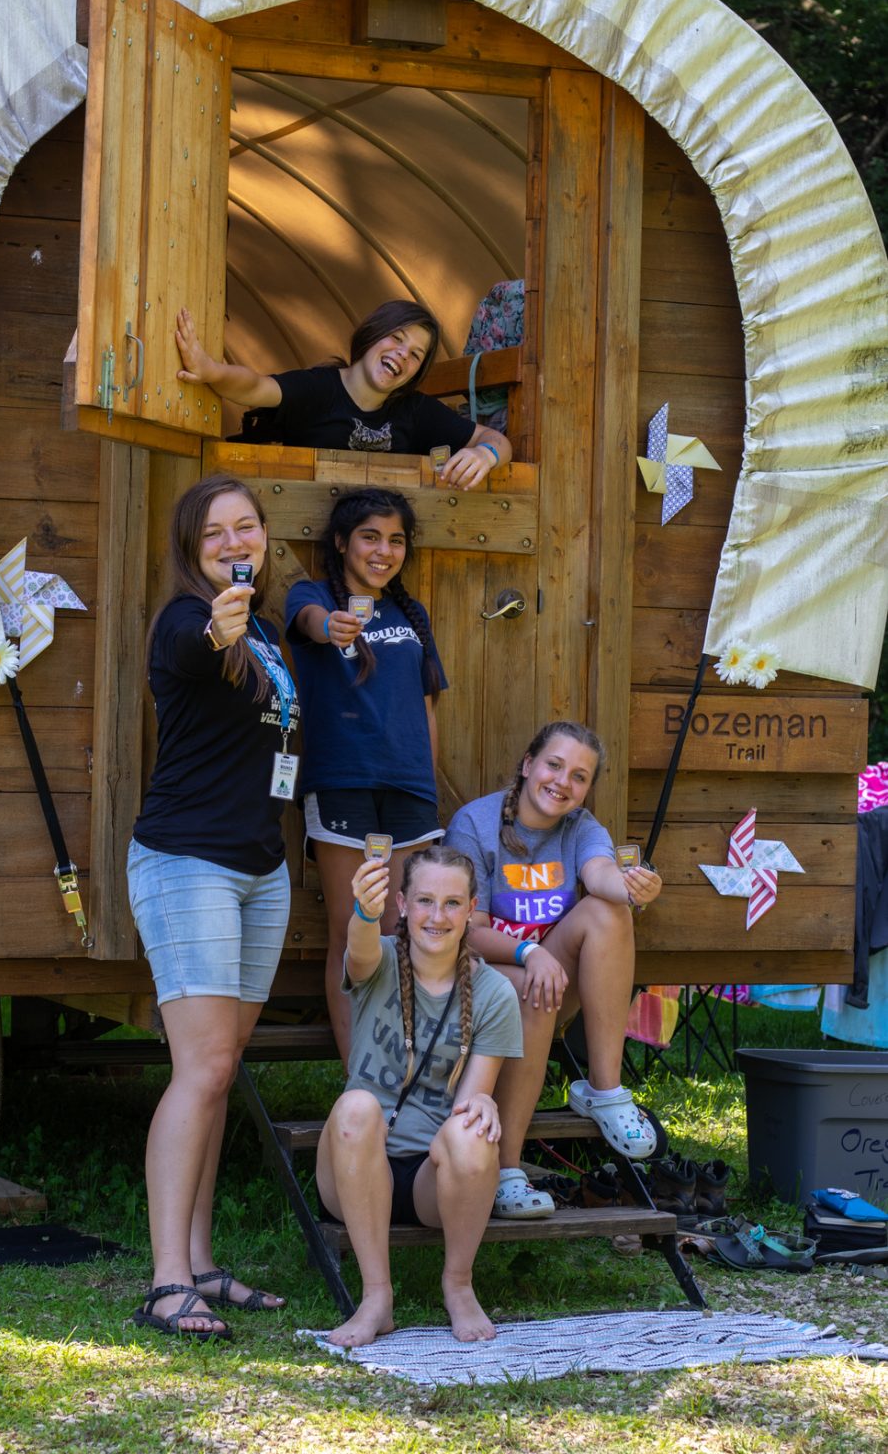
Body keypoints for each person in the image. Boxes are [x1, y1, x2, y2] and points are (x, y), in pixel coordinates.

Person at [127, 473, 300, 1338]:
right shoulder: (185, 622)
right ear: (195, 553)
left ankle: (199, 1261)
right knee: (200, 1069)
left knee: (218, 1071)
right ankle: (166, 1283)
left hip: (260, 872)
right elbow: (199, 645)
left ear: (264, 536)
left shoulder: (266, 632)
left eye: (247, 528)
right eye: (214, 536)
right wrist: (216, 618)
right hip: (187, 864)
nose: (235, 543)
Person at [444, 721, 663, 1220]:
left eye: (580, 776)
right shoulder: (474, 825)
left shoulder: (582, 828)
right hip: (479, 985)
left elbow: (599, 873)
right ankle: (505, 1170)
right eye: (554, 765)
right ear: (527, 765)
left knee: (610, 912)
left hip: (547, 981)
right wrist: (528, 953)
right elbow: (466, 931)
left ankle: (604, 1092)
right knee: (530, 989)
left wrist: (630, 885)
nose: (564, 782)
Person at [316, 846, 523, 1347]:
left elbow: (469, 1102)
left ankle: (458, 1284)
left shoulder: (493, 993)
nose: (438, 915)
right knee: (357, 1106)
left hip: (433, 1180)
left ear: (471, 909)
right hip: (354, 1166)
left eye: (452, 903)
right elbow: (360, 948)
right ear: (403, 905)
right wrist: (366, 910)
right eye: (425, 900)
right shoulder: (381, 959)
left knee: (474, 1128)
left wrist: (484, 1105)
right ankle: (376, 1297)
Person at [285, 487, 446, 1063]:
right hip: (343, 782)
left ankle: (405, 1066)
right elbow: (305, 622)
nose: (384, 550)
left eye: (396, 539)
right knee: (353, 927)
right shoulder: (312, 596)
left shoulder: (410, 613)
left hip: (410, 791)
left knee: (405, 931)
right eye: (370, 537)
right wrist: (329, 625)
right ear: (341, 542)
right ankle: (362, 1076)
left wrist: (428, 783)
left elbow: (426, 704)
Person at [175, 299, 511, 490]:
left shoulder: (415, 410)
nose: (402, 355)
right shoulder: (320, 388)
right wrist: (210, 370)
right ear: (372, 334)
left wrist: (486, 455)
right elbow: (253, 385)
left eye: (416, 354)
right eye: (396, 338)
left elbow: (496, 439)